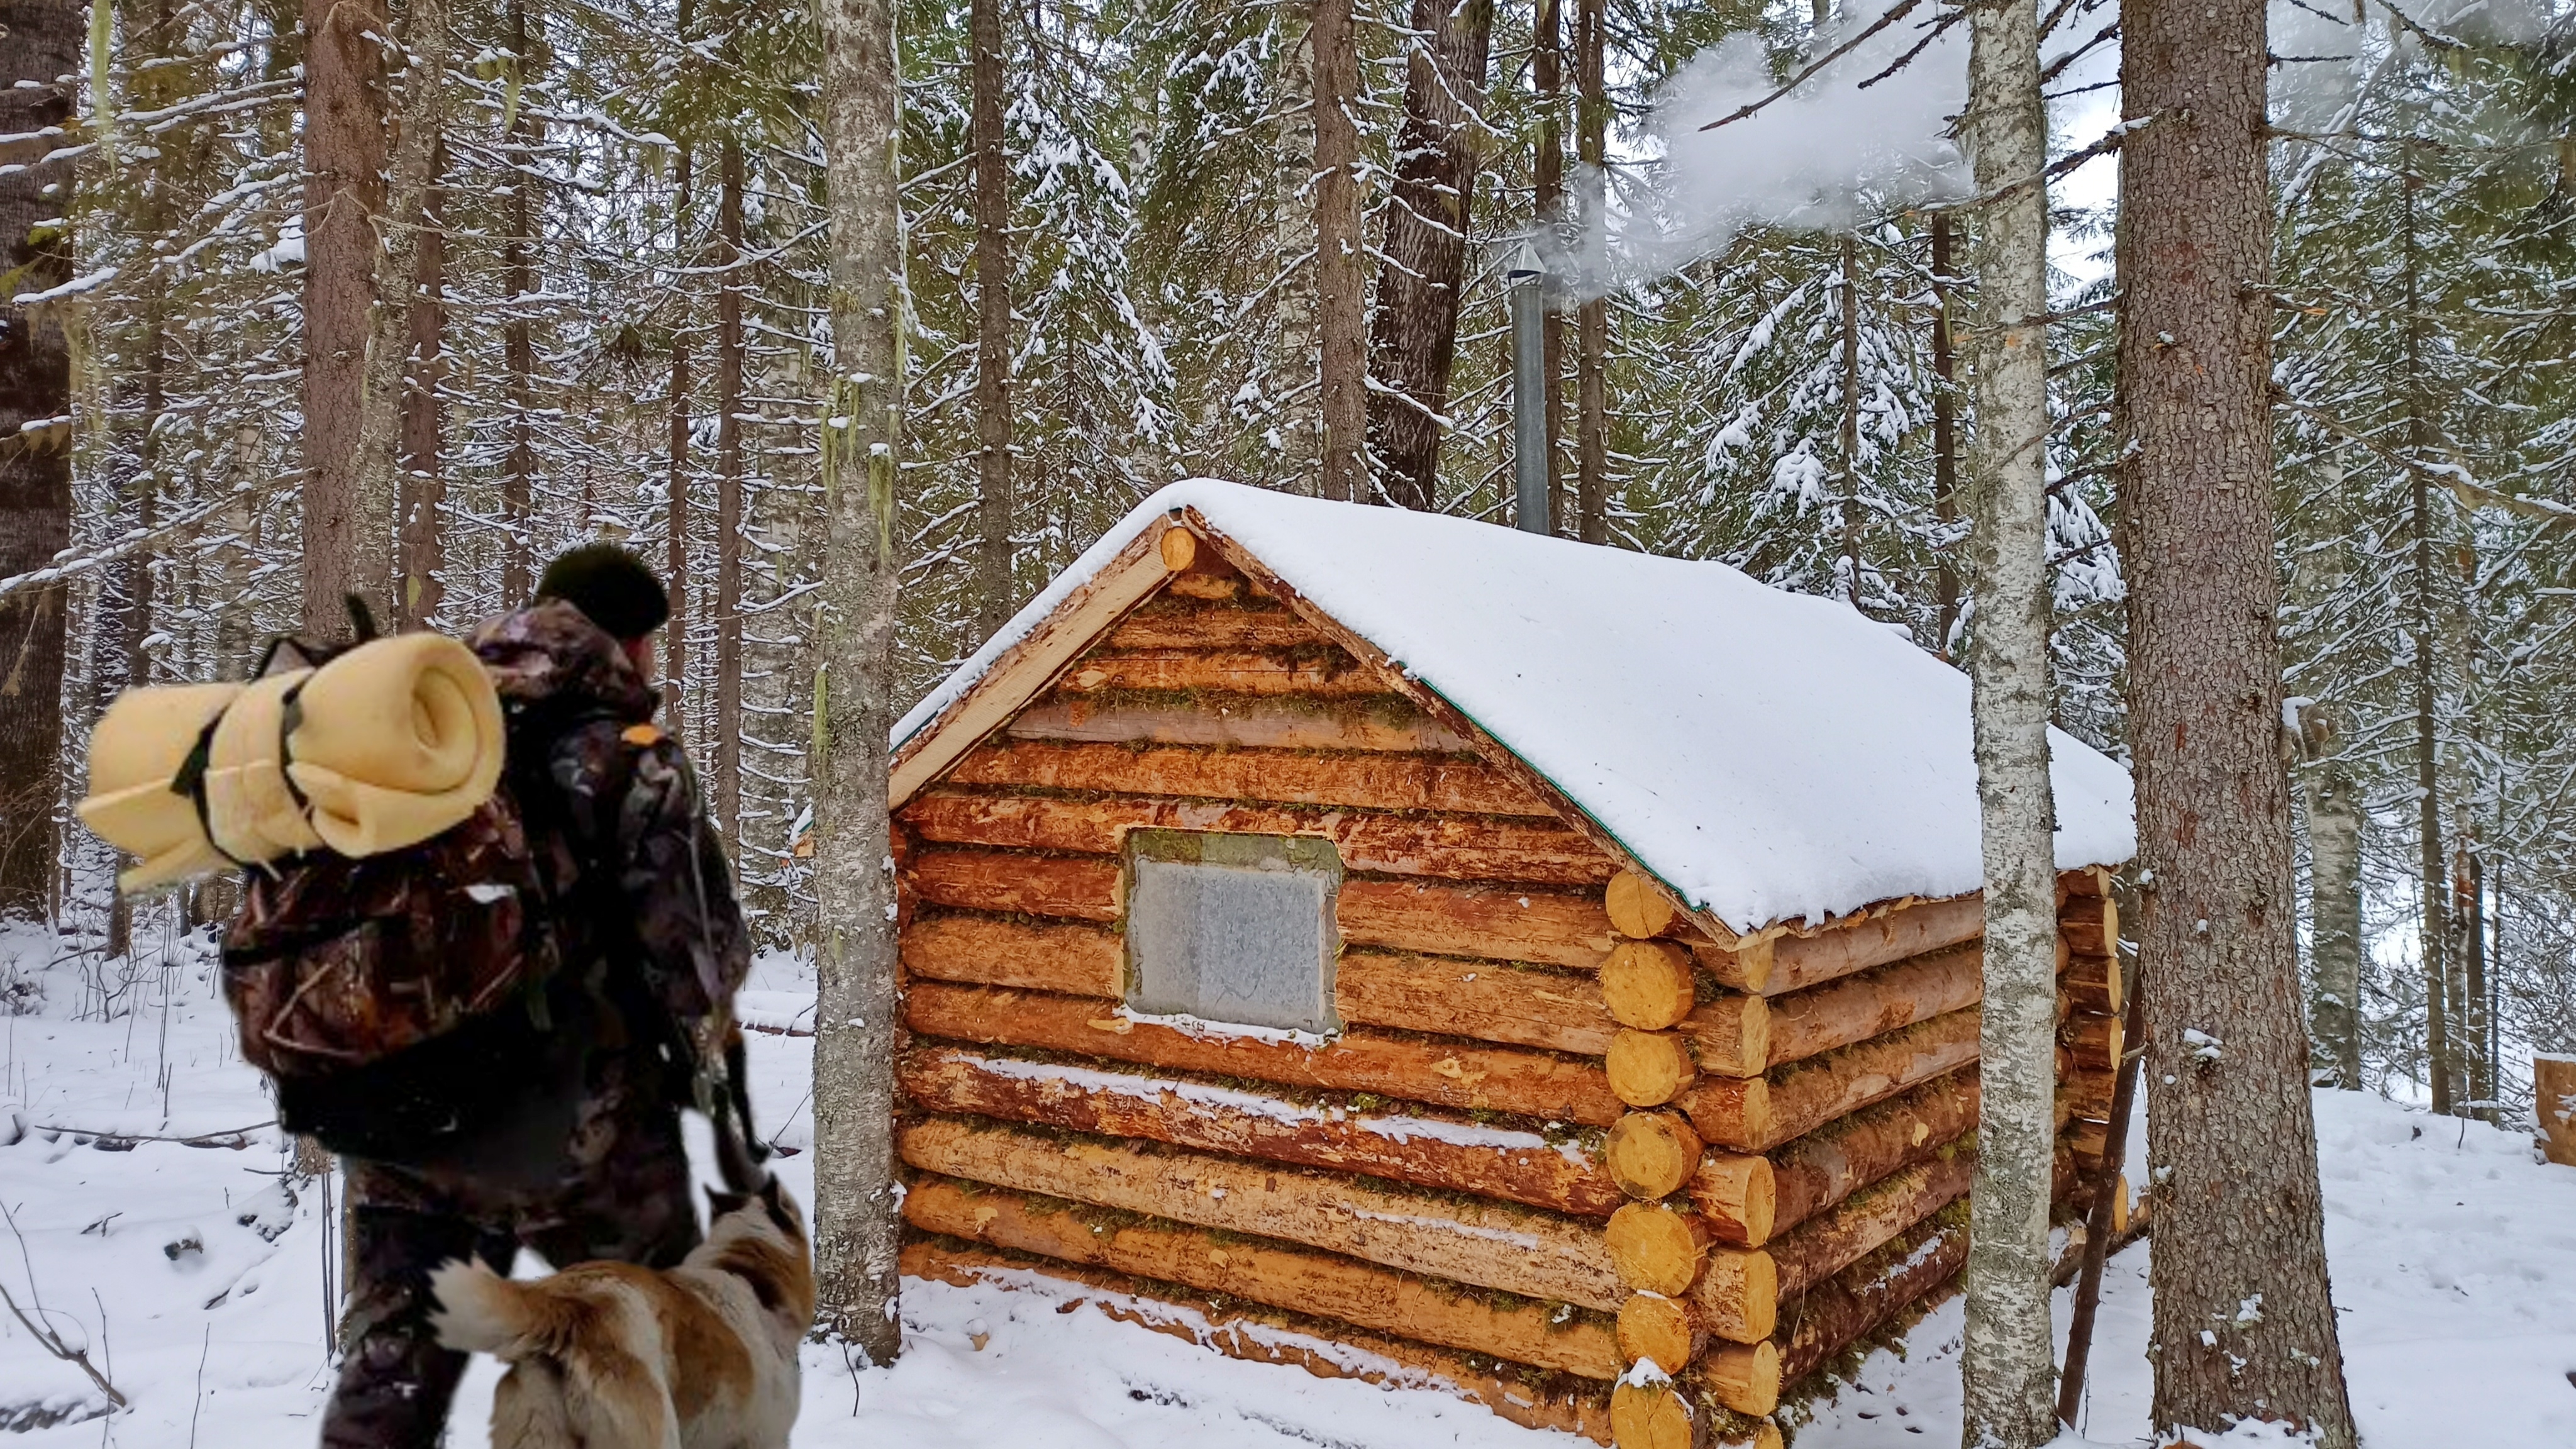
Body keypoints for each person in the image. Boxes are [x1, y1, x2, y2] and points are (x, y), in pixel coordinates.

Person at [320, 545, 751, 1448]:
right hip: (584, 1134)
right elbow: (699, 964)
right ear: (634, 644)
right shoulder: (630, 759)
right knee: (662, 1353)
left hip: (408, 1123)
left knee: (388, 1384)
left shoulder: (425, 731)